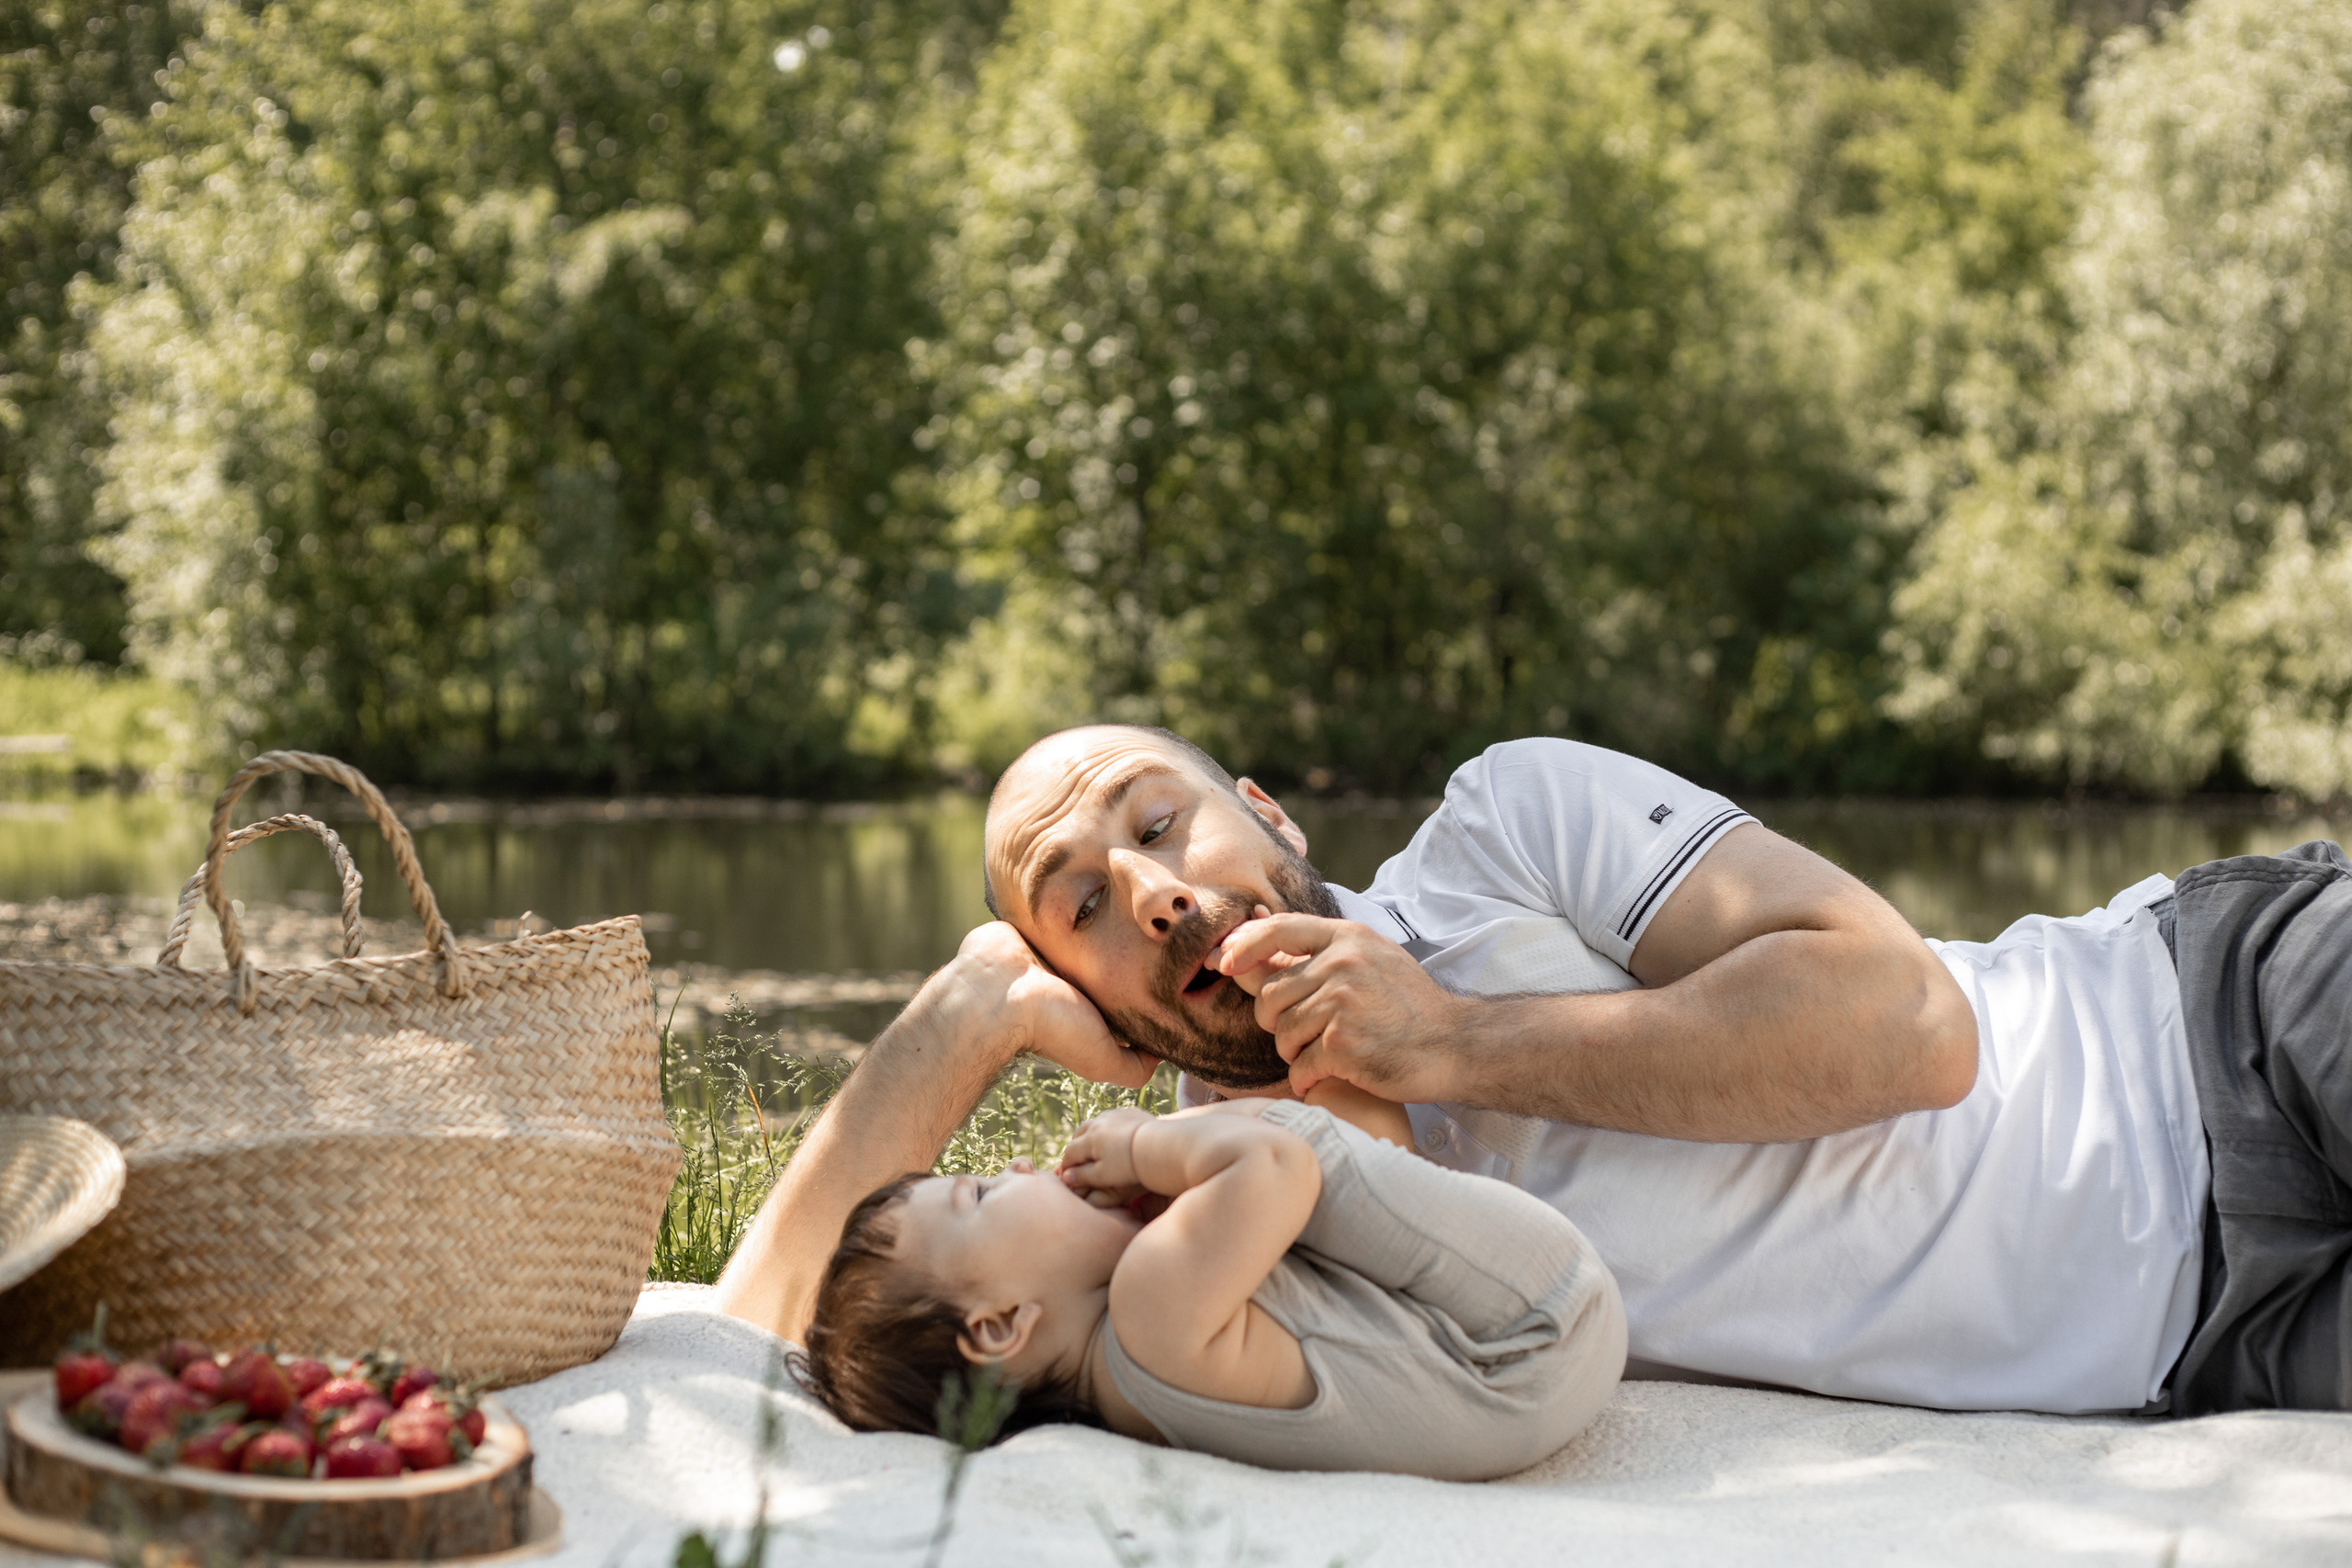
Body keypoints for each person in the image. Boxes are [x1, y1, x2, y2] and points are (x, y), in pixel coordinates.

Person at [718, 725, 2350, 1417]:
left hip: (2214, 1021)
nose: (1148, 887)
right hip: (2209, 1343)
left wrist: (1448, 1035)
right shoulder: (1215, 1222)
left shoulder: (1505, 826)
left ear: (1267, 813)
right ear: (1095, 999)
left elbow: (1914, 1029)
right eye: (1081, 904)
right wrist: (965, 1009)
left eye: (1159, 820)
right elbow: (771, 1342)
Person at [794, 1099, 1624, 1479]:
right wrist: (1150, 1143)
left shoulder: (1132, 1386)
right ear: (1000, 1325)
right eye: (979, 1194)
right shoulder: (1147, 1306)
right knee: (1287, 1134)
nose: (1013, 1165)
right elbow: (1278, 1165)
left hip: (1535, 1380)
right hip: (1543, 1318)